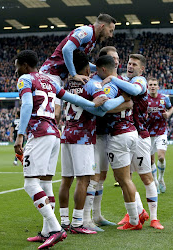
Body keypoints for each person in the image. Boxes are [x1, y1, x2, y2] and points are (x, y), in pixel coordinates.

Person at [13, 50, 107, 249]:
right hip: (55, 134)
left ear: (24, 65)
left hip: (39, 134)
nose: (16, 70)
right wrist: (92, 103)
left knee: (30, 184)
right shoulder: (49, 81)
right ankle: (47, 231)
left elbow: (28, 104)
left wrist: (20, 135)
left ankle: (56, 229)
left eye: (17, 66)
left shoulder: (25, 79)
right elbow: (73, 100)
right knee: (46, 184)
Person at [59, 50, 129, 234]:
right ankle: (77, 223)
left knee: (66, 180)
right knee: (84, 180)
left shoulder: (68, 83)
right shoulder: (90, 84)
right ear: (87, 67)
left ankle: (64, 221)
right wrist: (124, 99)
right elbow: (103, 108)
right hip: (83, 137)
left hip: (66, 134)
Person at [102, 54, 164, 230]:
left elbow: (135, 91)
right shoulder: (123, 80)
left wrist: (113, 78)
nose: (130, 66)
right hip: (127, 133)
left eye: (134, 64)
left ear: (141, 69)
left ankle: (154, 218)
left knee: (146, 176)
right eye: (129, 63)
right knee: (123, 177)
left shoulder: (141, 81)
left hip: (141, 135)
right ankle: (135, 212)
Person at [83, 46, 131, 230]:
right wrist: (123, 104)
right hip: (93, 134)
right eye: (113, 58)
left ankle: (97, 216)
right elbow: (101, 109)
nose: (117, 61)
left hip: (105, 134)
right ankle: (86, 219)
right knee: (92, 177)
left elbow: (130, 103)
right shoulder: (96, 82)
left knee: (101, 176)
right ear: (103, 64)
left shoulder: (115, 81)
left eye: (118, 58)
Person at [40, 13, 116, 86]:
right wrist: (74, 74)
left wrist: (98, 68)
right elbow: (66, 49)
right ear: (102, 26)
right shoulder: (87, 32)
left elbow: (78, 61)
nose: (111, 35)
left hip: (59, 77)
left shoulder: (92, 41)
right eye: (110, 31)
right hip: (51, 74)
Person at [146, 78, 173, 194]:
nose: (153, 86)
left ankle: (161, 178)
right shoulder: (144, 99)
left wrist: (168, 114)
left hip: (161, 131)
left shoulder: (164, 98)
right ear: (148, 87)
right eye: (151, 85)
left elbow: (171, 108)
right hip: (148, 133)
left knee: (161, 157)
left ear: (158, 86)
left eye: (155, 85)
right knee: (151, 160)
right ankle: (156, 182)